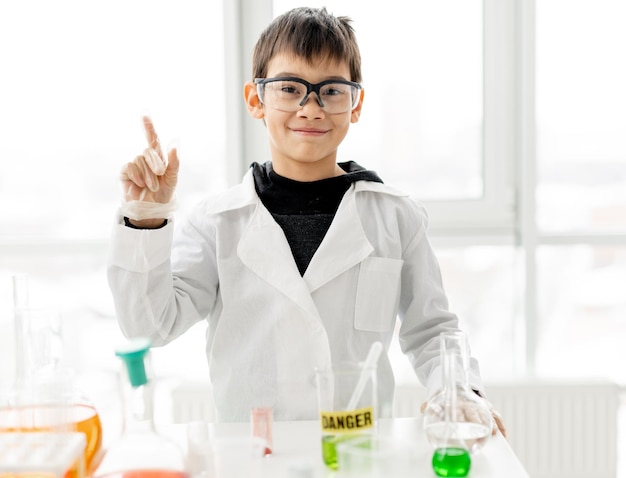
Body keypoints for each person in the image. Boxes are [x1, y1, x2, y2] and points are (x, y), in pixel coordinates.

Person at [107, 6, 506, 435]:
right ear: (256, 99)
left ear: (356, 104)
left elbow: (431, 330)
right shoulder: (217, 222)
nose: (311, 108)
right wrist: (146, 217)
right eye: (290, 88)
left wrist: (459, 389)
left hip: (357, 452)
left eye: (332, 90)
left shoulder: (395, 216)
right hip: (255, 454)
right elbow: (150, 325)